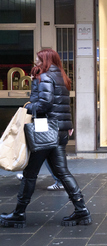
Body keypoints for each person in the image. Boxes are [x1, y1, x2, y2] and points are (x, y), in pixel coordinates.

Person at [0, 49, 91, 228]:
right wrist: (68, 125)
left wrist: (28, 106)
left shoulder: (44, 77)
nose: (36, 62)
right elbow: (64, 105)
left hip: (45, 131)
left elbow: (45, 104)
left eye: (38, 60)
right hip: (59, 131)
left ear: (46, 60)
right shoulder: (62, 77)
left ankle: (18, 214)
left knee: (30, 174)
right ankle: (81, 210)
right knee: (62, 172)